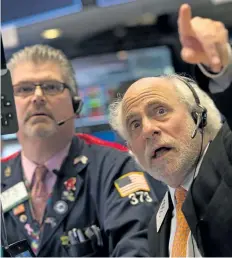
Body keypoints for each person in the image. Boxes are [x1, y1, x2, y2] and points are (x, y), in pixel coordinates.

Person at [109, 4, 232, 257]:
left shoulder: (227, 159)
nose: (148, 129)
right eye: (135, 124)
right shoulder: (158, 224)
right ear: (132, 151)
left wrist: (223, 69)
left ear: (199, 117)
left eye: (161, 111)